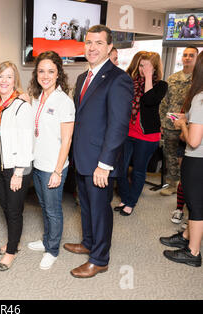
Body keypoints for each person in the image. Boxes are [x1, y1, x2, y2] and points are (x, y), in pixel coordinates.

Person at [63, 25, 133, 278]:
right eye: (89, 42)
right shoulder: (83, 78)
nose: (92, 47)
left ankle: (100, 259)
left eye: (99, 43)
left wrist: (105, 164)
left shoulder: (118, 79)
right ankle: (89, 243)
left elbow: (118, 126)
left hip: (100, 162)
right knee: (86, 206)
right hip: (82, 158)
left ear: (109, 48)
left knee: (101, 210)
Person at [26, 51, 75, 270]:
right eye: (41, 71)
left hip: (52, 167)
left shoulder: (63, 101)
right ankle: (47, 240)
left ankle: (52, 250)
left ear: (58, 74)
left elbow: (67, 140)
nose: (45, 76)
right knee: (44, 206)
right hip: (37, 163)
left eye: (51, 71)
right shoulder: (36, 97)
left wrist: (57, 171)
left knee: (53, 210)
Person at [0, 61, 34, 271]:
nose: (4, 81)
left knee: (14, 210)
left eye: (9, 77)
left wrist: (19, 172)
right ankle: (13, 241)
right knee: (4, 206)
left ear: (15, 81)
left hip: (16, 168)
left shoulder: (21, 106)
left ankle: (11, 251)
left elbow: (27, 142)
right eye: (1, 76)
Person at [160, 51, 203, 268]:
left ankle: (193, 252)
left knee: (196, 206)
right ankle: (187, 236)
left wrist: (182, 124)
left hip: (197, 158)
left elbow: (193, 140)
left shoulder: (200, 97)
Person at [114, 52, 168, 216]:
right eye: (141, 65)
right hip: (127, 133)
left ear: (155, 67)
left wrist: (149, 77)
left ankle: (130, 202)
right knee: (120, 169)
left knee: (138, 170)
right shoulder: (130, 82)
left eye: (148, 66)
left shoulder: (161, 85)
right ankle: (124, 197)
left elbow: (149, 100)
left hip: (147, 137)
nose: (144, 69)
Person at [159, 46, 198, 196]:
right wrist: (162, 122)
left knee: (188, 159)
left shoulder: (198, 80)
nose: (187, 58)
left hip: (190, 127)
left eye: (191, 55)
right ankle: (173, 184)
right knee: (170, 156)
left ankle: (185, 186)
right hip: (170, 125)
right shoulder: (173, 78)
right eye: (185, 55)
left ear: (196, 58)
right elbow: (164, 101)